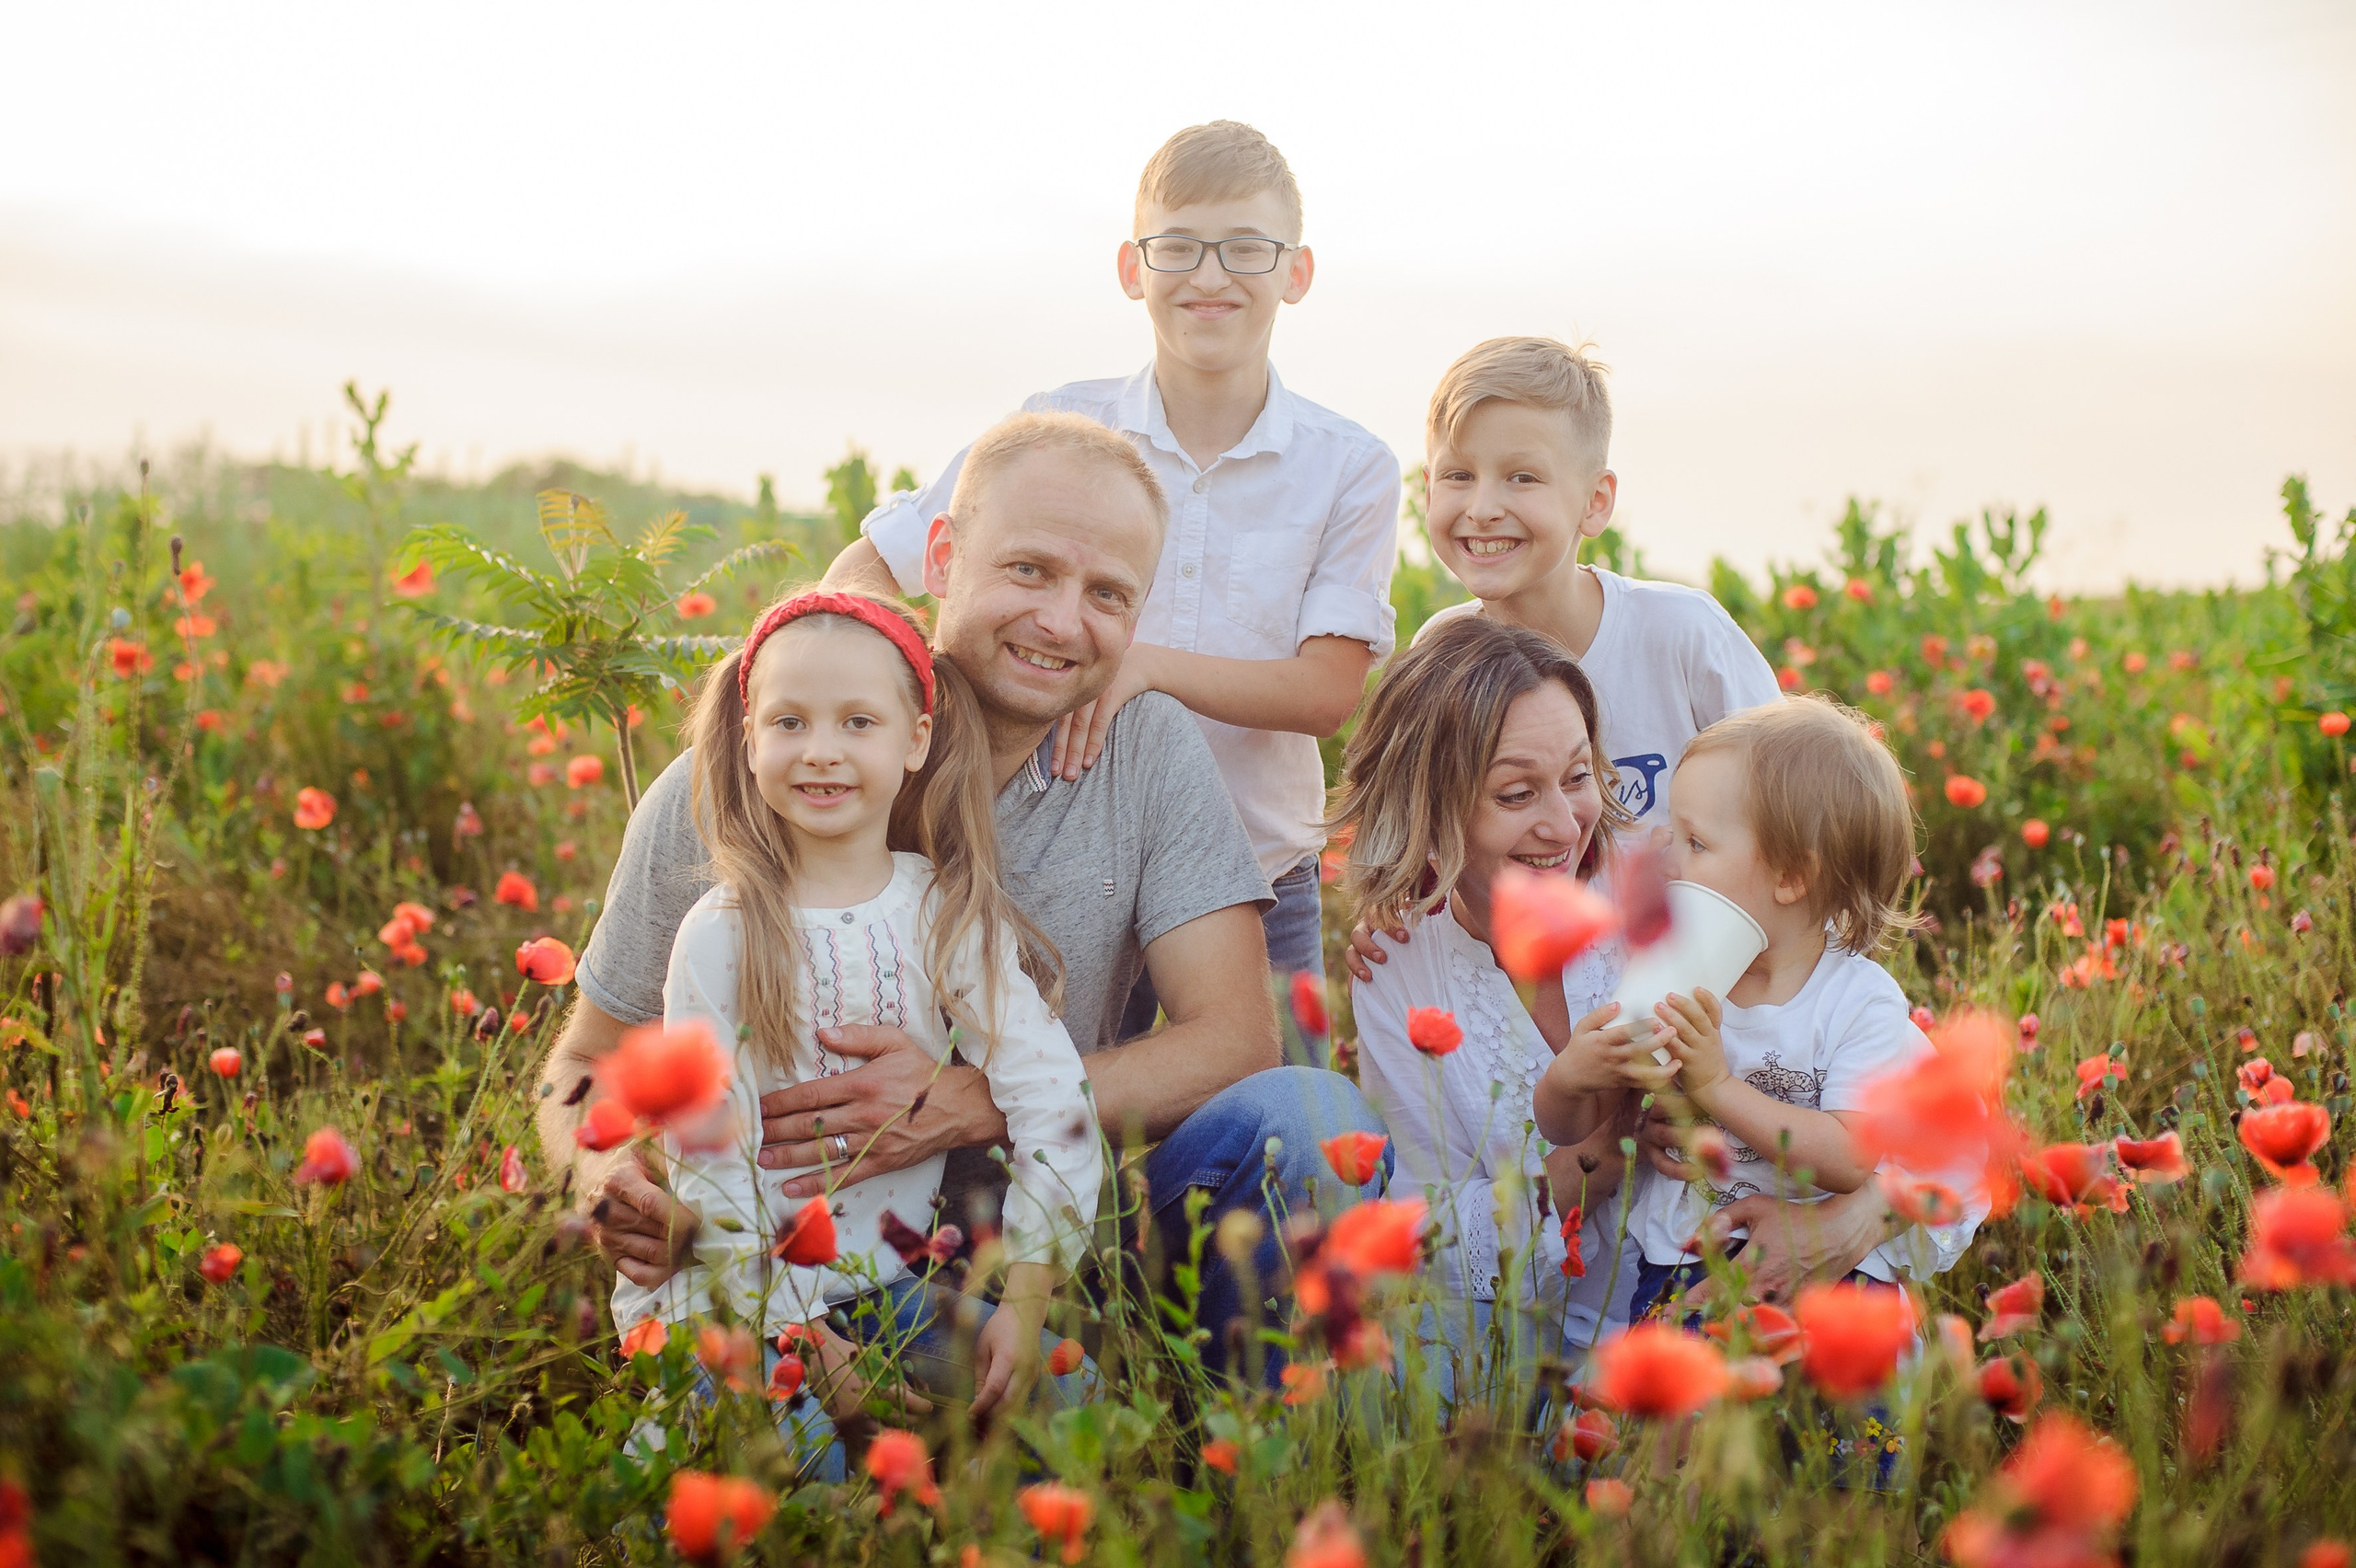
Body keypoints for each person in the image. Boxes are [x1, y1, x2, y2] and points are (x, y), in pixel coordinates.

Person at [537, 410, 1386, 1388]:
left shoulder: (1145, 749)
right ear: (941, 556)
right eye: (1028, 570)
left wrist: (969, 1105)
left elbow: (1234, 1040)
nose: (1062, 621)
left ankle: (1244, 1460)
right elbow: (585, 1060)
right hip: (791, 1269)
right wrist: (602, 1174)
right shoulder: (763, 774)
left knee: (1306, 1117)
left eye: (1106, 593)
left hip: (1053, 1240)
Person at [830, 121, 1401, 1043]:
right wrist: (856, 702)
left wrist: (1141, 665)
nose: (1209, 276)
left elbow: (1329, 692)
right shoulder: (1057, 420)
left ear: (1294, 273)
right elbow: (875, 563)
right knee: (1033, 1133)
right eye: (1177, 247)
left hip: (1255, 876)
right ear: (1134, 268)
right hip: (1047, 857)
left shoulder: (1350, 466)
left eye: (1246, 249)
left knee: (1269, 1133)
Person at [607, 590, 1104, 1460]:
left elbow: (1055, 1102)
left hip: (884, 1286)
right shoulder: (721, 934)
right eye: (790, 722)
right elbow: (709, 1167)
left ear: (915, 741)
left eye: (858, 722)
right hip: (741, 1293)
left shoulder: (944, 915)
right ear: (748, 739)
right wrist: (799, 1344)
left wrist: (1025, 1304)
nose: (822, 752)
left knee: (1074, 1402)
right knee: (802, 1473)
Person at [1534, 697, 1984, 1316]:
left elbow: (1852, 1158)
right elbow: (1569, 1125)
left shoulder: (1856, 1002)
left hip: (1834, 1288)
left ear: (1791, 876)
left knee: (1833, 1413)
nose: (1670, 856)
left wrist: (1716, 1086)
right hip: (1682, 1271)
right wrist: (1571, 1077)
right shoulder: (1676, 972)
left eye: (1696, 841)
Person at [1328, 618, 1648, 1387]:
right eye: (1515, 793)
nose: (1563, 824)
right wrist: (1593, 1161)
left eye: (1578, 777)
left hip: (1689, 1306)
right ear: (1432, 808)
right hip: (1517, 1344)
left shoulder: (1655, 899)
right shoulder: (1399, 964)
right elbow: (1431, 1229)